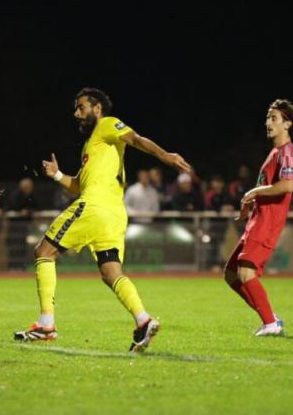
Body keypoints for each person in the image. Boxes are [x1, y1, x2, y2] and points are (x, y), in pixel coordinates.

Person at [14, 87, 191, 351]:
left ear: (97, 108)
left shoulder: (108, 124)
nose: (76, 113)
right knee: (111, 273)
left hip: (95, 207)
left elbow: (137, 139)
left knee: (44, 251)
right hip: (113, 213)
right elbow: (78, 186)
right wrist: (56, 174)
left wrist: (165, 156)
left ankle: (46, 324)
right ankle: (143, 320)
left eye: (81, 107)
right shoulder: (93, 145)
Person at [225, 98, 293, 336]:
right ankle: (271, 318)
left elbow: (287, 186)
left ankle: (270, 323)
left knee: (246, 274)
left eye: (274, 118)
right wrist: (250, 202)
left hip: (267, 223)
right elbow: (269, 187)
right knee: (231, 274)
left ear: (287, 124)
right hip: (256, 221)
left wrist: (253, 192)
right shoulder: (275, 152)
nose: (268, 122)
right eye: (268, 117)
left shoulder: (287, 152)